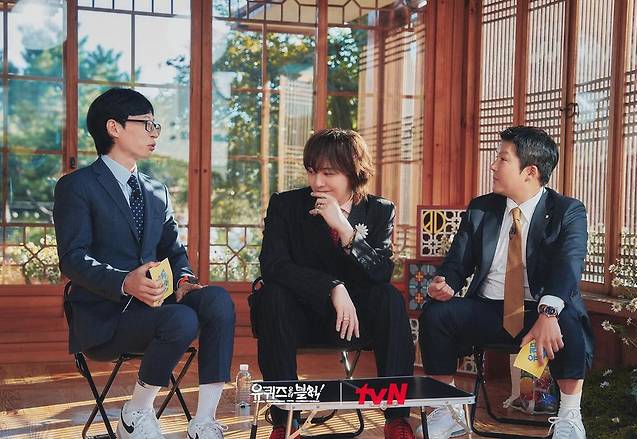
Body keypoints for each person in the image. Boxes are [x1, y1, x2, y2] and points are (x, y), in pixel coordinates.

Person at [53, 88, 235, 439]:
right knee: (181, 319)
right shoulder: (77, 186)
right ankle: (136, 411)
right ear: (114, 128)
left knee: (216, 300)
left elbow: (173, 250)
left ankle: (204, 421)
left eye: (156, 125)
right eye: (147, 123)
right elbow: (73, 259)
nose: (155, 132)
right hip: (107, 318)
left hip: (157, 308)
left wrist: (183, 281)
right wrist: (124, 281)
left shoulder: (156, 190)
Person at [418, 126, 593, 439]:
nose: (493, 166)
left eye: (502, 159)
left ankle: (569, 417)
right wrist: (446, 283)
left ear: (530, 172)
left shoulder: (568, 211)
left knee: (567, 318)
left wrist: (548, 313)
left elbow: (569, 265)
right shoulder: (481, 208)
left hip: (538, 311)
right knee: (436, 314)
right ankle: (447, 410)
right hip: (487, 310)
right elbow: (458, 262)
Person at [252, 128, 415, 439]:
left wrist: (345, 230)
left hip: (355, 322)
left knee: (390, 298)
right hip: (298, 317)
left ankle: (397, 418)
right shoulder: (286, 205)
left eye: (328, 173)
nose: (317, 182)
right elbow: (273, 266)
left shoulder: (380, 210)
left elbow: (381, 272)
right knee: (273, 295)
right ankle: (285, 421)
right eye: (312, 171)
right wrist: (332, 286)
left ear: (354, 172)